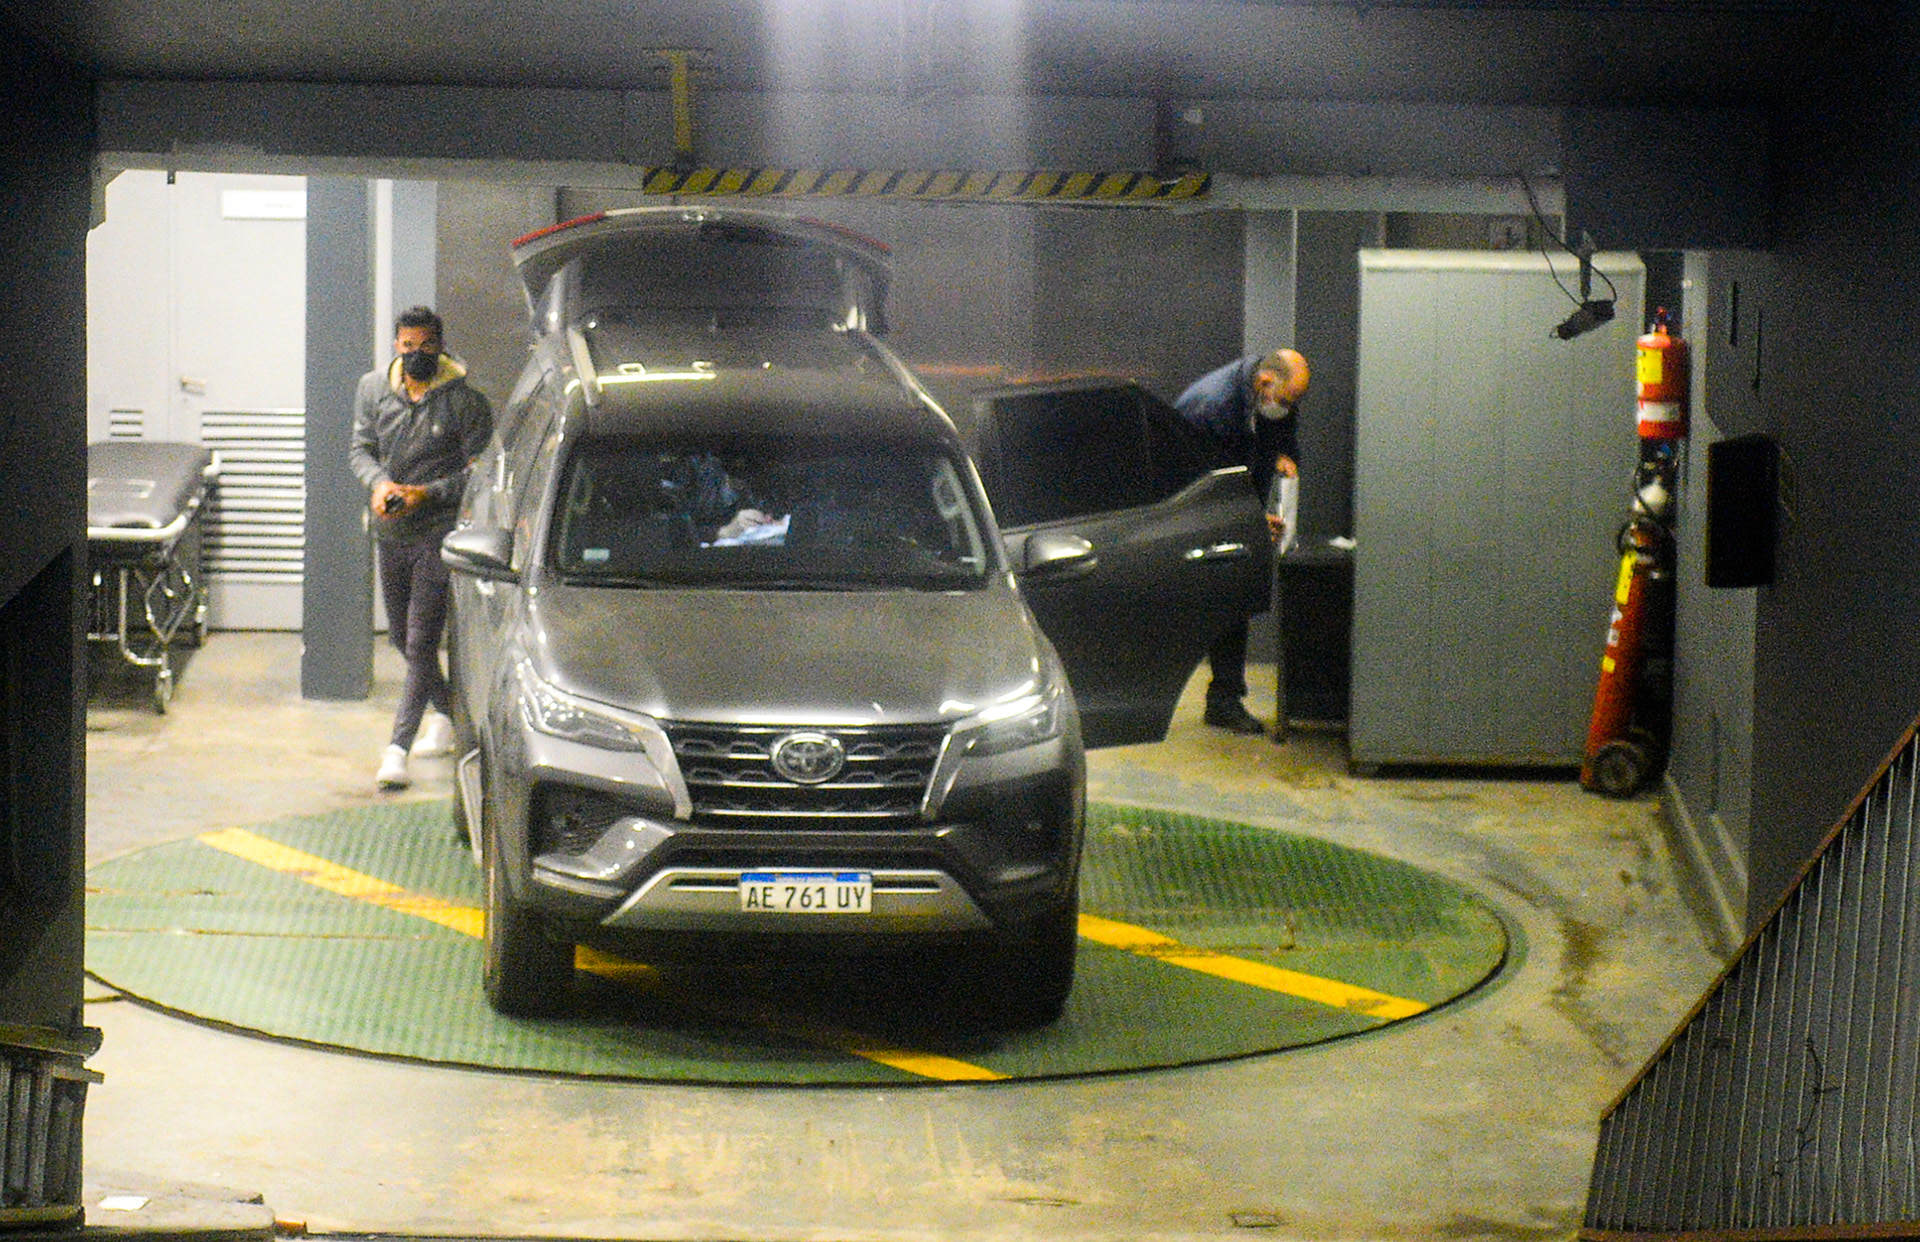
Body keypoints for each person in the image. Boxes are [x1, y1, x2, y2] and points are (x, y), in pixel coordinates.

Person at [350, 306, 494, 789]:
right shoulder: (373, 390)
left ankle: (396, 750)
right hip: (390, 532)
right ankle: (451, 715)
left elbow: (479, 474)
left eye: (426, 346)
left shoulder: (466, 404)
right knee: (399, 640)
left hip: (438, 533)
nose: (416, 355)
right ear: (396, 346)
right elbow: (359, 449)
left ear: (440, 345)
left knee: (420, 642)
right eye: (407, 346)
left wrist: (425, 495)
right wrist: (378, 485)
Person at [1174, 347, 1311, 735]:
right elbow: (1201, 486)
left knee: (1233, 596)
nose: (1288, 409)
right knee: (1215, 599)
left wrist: (1287, 456)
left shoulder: (1274, 398)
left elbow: (1282, 433)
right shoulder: (1209, 409)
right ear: (1265, 383)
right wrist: (1249, 519)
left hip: (1236, 499)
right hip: (1192, 505)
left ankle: (1224, 700)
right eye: (1286, 401)